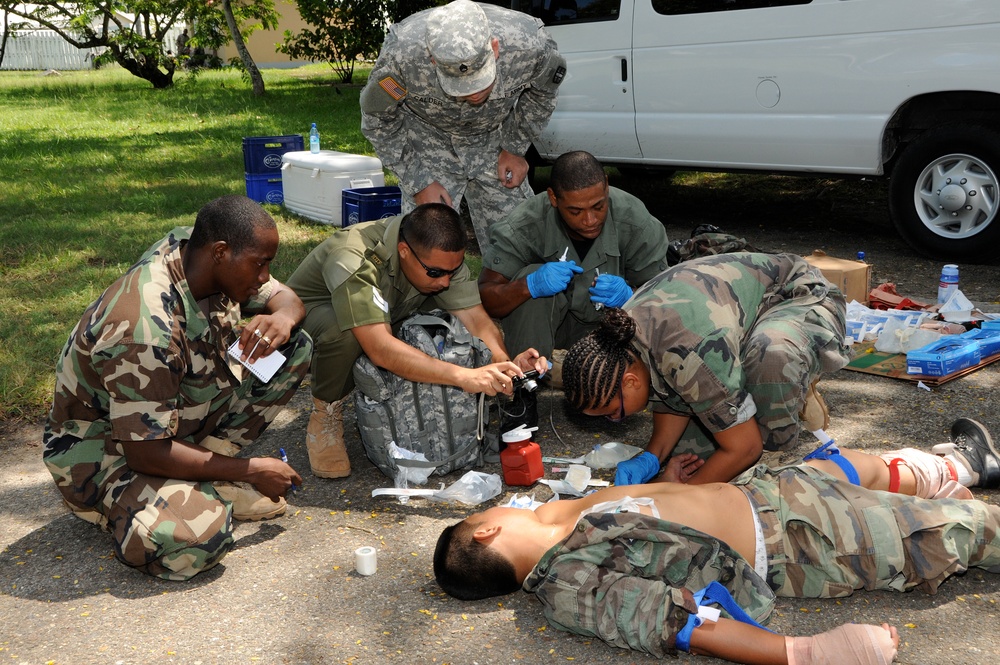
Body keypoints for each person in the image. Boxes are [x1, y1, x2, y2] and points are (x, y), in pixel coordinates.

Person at [434, 419, 1000, 664]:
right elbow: (682, 626)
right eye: (491, 509)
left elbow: (646, 528)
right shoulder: (567, 585)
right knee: (962, 533)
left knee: (849, 465)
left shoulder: (561, 519)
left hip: (768, 495)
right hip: (802, 542)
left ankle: (960, 471)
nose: (502, 501)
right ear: (489, 531)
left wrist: (675, 492)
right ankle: (956, 510)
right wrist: (813, 653)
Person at [43, 195, 312, 581]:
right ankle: (133, 506)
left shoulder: (198, 251)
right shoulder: (145, 328)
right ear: (221, 253)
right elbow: (145, 452)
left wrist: (284, 317)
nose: (265, 275)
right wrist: (251, 470)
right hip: (107, 452)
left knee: (291, 346)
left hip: (160, 416)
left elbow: (285, 298)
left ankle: (207, 478)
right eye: (261, 264)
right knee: (197, 539)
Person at [286, 203, 548, 479]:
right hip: (305, 333)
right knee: (344, 333)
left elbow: (476, 319)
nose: (446, 281)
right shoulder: (353, 256)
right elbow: (380, 348)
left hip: (383, 317)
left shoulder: (436, 257)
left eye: (453, 271)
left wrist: (504, 365)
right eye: (436, 273)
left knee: (447, 319)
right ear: (403, 252)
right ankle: (325, 412)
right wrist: (464, 376)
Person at [563, 252, 852, 486]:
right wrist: (653, 457)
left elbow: (746, 448)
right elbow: (669, 385)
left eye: (614, 413)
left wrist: (681, 498)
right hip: (735, 326)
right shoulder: (625, 340)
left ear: (629, 381)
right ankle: (763, 388)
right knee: (691, 461)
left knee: (771, 356)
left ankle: (778, 446)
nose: (616, 419)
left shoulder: (689, 350)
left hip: (799, 296)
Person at [478, 150, 669, 430]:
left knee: (653, 312)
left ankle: (614, 391)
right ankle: (522, 395)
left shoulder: (636, 221)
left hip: (612, 329)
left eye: (598, 206)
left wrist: (632, 295)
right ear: (553, 198)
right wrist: (529, 286)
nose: (590, 220)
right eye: (576, 211)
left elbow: (669, 300)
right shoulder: (525, 224)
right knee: (529, 278)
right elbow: (487, 297)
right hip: (551, 328)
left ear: (605, 185)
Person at [359, 0, 567, 249]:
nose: (473, 95)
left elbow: (543, 93)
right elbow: (376, 118)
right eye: (459, 86)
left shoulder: (530, 44)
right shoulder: (402, 55)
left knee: (522, 241)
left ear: (495, 47)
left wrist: (514, 146)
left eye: (480, 82)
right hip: (427, 142)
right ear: (433, 60)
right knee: (423, 247)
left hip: (494, 140)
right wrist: (418, 182)